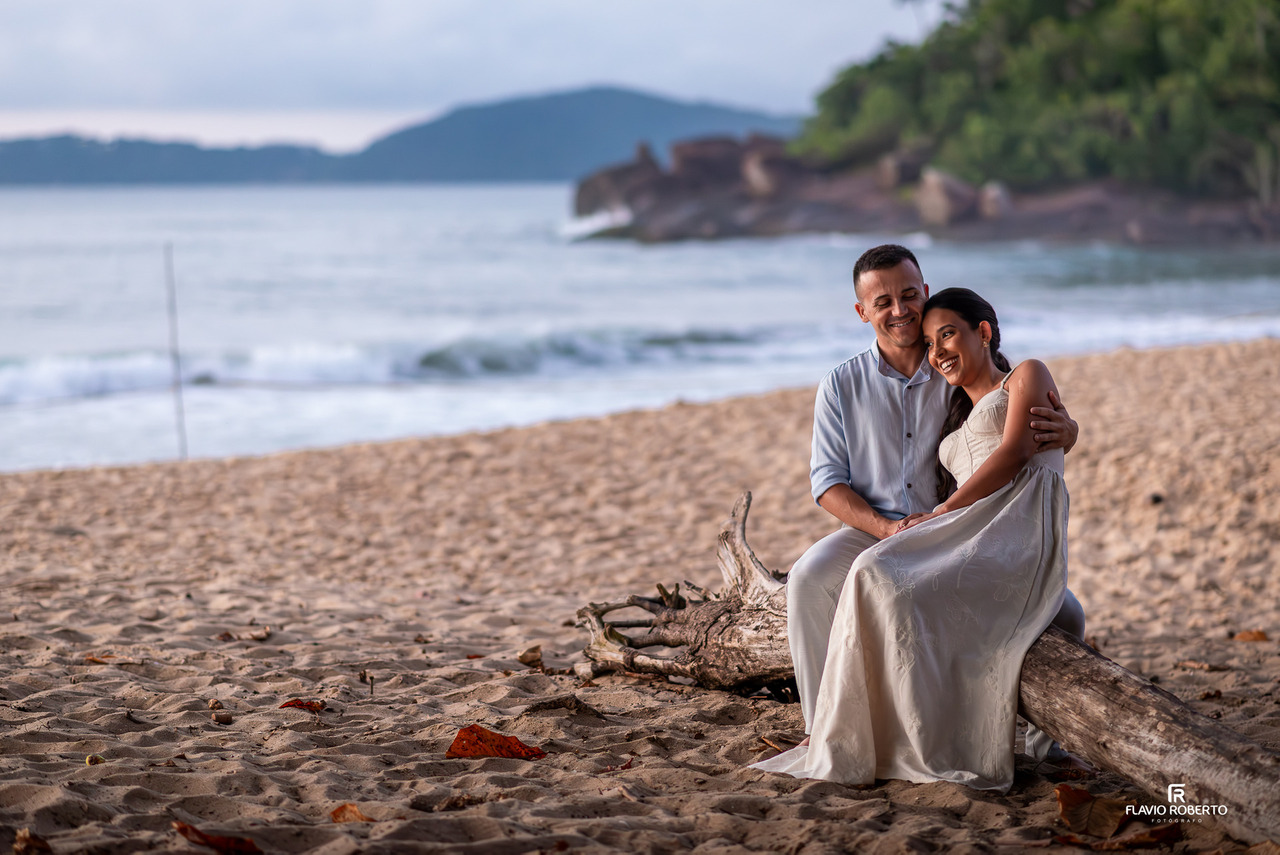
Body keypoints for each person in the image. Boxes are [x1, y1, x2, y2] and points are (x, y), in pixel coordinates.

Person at [757, 287, 1077, 791]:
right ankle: (826, 728)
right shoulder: (846, 383)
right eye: (883, 302)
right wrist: (890, 528)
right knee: (817, 577)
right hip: (895, 527)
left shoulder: (1008, 375)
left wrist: (1070, 429)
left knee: (1066, 612)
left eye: (912, 299)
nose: (934, 345)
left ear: (983, 331)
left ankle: (1001, 739)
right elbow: (826, 482)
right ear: (862, 312)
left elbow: (1019, 447)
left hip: (980, 531)